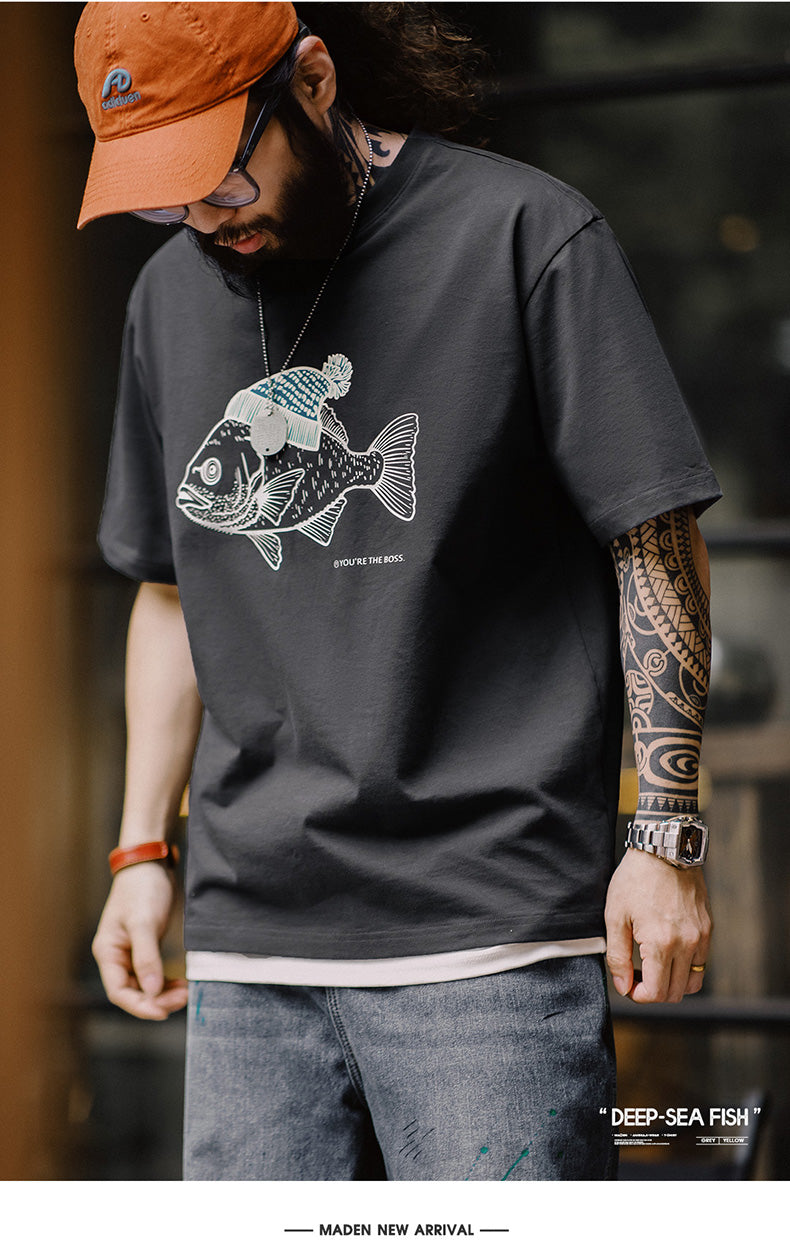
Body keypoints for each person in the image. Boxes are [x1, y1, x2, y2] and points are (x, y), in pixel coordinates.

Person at [75, 2, 720, 1181]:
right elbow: (169, 592)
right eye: (165, 199)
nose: (206, 221)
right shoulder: (166, 298)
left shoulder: (522, 233)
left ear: (313, 82)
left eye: (220, 178)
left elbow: (653, 538)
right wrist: (139, 854)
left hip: (490, 935)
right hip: (249, 944)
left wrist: (666, 834)